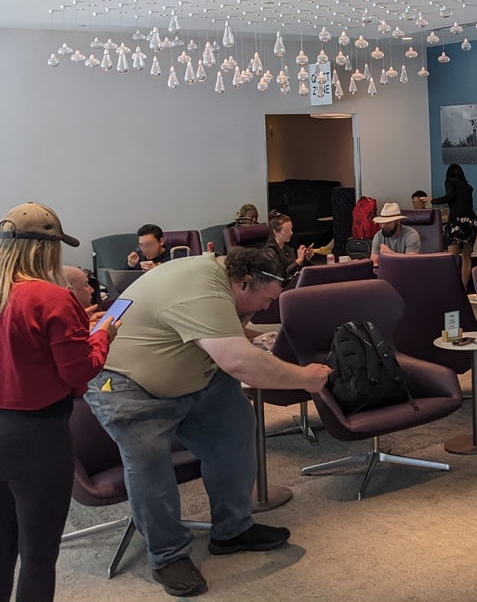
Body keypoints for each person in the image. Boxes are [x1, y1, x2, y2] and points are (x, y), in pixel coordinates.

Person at [85, 248, 332, 597]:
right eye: (267, 299)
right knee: (149, 462)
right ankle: (168, 556)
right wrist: (306, 378)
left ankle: (233, 530)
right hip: (127, 382)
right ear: (245, 282)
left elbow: (225, 335)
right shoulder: (202, 287)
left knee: (236, 431)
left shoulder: (224, 280)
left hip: (196, 374)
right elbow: (240, 363)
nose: (267, 307)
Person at [1, 202, 117, 602]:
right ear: (47, 249)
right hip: (37, 437)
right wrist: (101, 336)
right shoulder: (52, 297)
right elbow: (79, 372)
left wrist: (75, 330)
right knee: (38, 555)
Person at [432, 164, 477, 287]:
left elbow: (450, 196)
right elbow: (470, 206)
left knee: (452, 257)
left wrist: (433, 200)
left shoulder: (449, 181)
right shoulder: (468, 188)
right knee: (466, 257)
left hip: (457, 221)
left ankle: (452, 288)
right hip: (471, 221)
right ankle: (463, 287)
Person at [370, 202, 421, 266]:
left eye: (388, 222)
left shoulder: (411, 235)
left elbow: (411, 263)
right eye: (382, 223)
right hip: (386, 270)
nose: (383, 226)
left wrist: (389, 254)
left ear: (398, 221)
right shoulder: (378, 236)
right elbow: (374, 262)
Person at [264, 211, 310, 281]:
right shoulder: (269, 252)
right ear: (276, 232)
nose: (291, 233)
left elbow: (298, 270)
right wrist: (299, 260)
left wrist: (305, 259)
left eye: (291, 229)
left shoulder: (287, 249)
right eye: (287, 230)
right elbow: (282, 276)